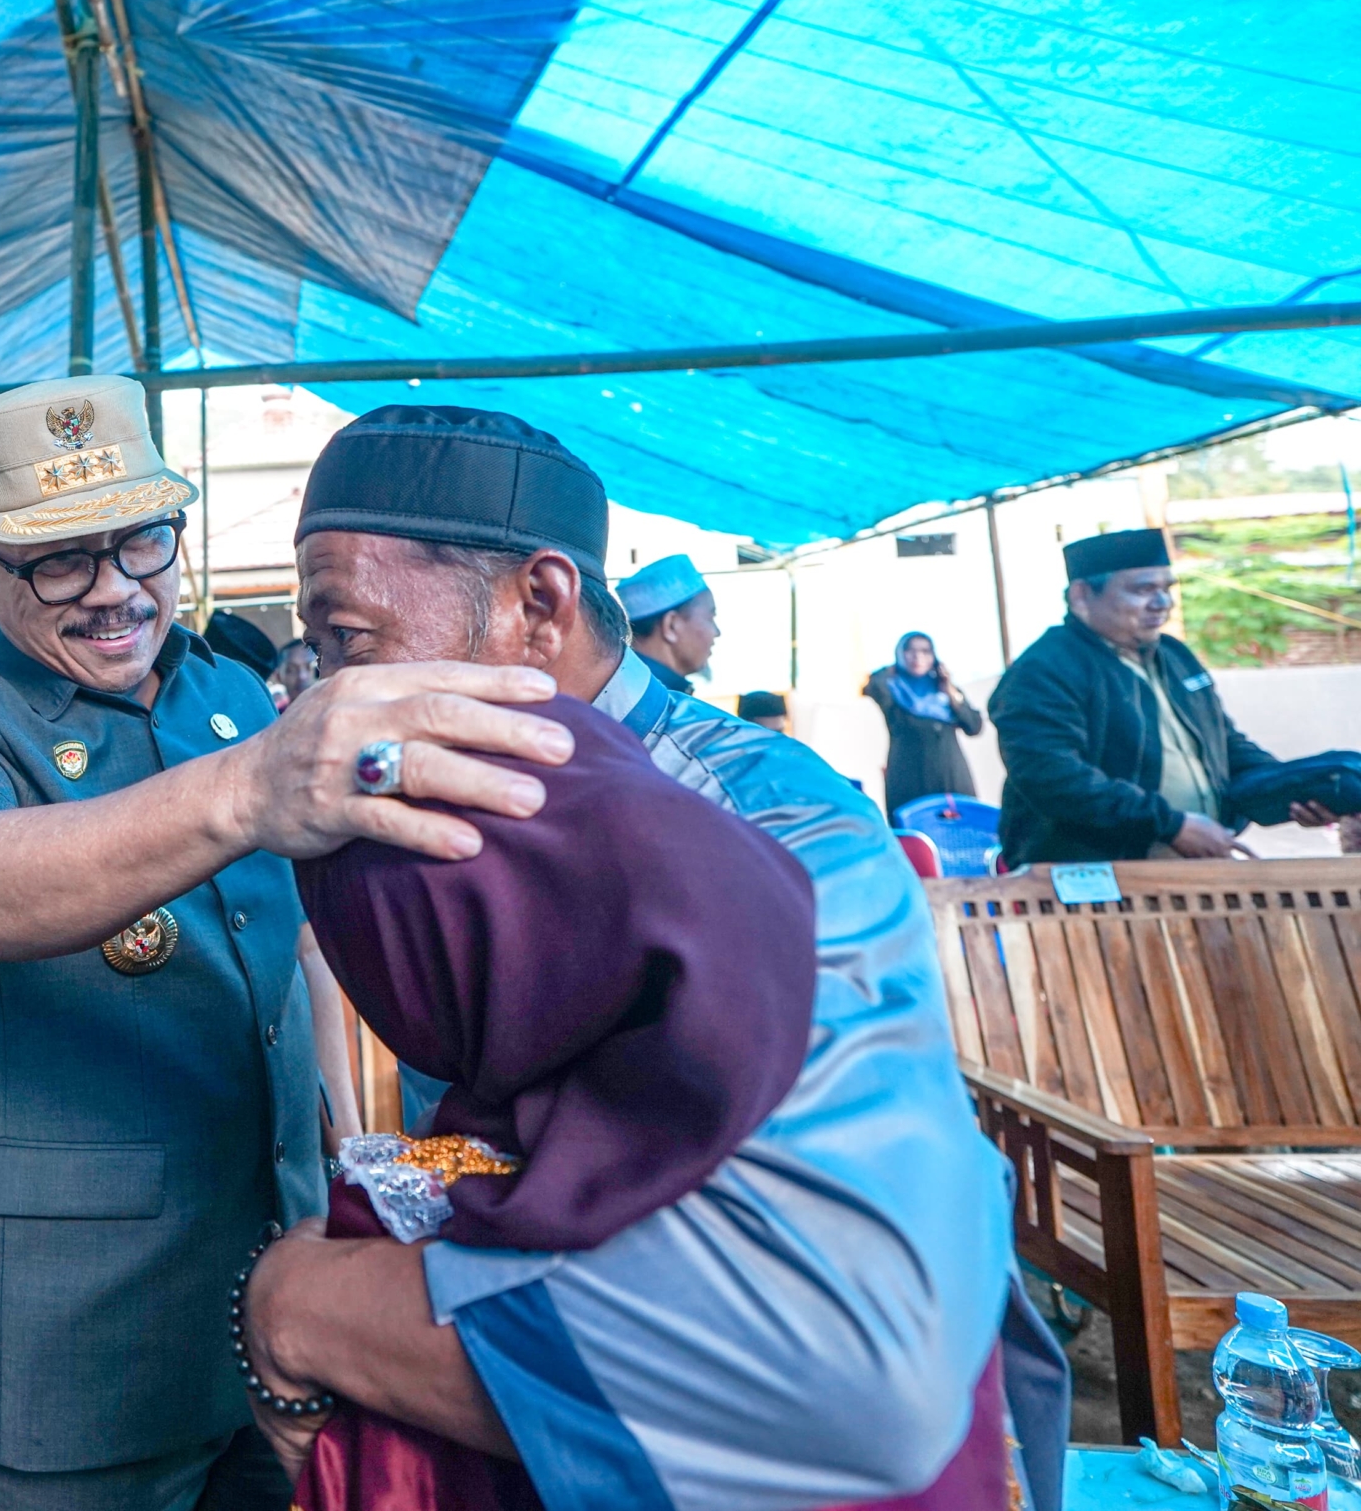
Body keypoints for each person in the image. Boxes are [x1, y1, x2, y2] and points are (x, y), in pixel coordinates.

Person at [239, 407, 1047, 1510]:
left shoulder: (761, 825)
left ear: (539, 603)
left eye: (352, 641)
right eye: (317, 648)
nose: (324, 695)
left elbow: (841, 1350)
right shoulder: (440, 779)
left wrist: (307, 1314)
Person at [0, 377, 574, 1511]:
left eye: (142, 542)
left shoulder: (229, 688)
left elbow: (295, 946)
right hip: (80, 1326)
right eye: (60, 560)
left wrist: (341, 1136)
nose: (115, 593)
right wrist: (248, 788)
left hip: (275, 1284)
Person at [991, 529, 1337, 865]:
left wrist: (1287, 790)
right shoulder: (1045, 669)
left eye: (1167, 589)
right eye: (1143, 590)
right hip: (1094, 873)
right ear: (1081, 596)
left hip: (1193, 864)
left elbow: (1223, 745)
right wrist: (1171, 825)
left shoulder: (1174, 656)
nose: (1162, 603)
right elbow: (1053, 777)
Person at [866, 632, 986, 820]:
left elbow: (974, 726)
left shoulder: (944, 691)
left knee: (960, 833)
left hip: (951, 776)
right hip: (909, 778)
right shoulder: (890, 688)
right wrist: (889, 670)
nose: (918, 657)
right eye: (910, 651)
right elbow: (872, 685)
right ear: (899, 654)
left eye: (925, 651)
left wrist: (950, 690)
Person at [617, 552, 719, 694]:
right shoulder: (653, 701)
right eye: (710, 618)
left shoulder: (624, 687)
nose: (717, 633)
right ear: (671, 625)